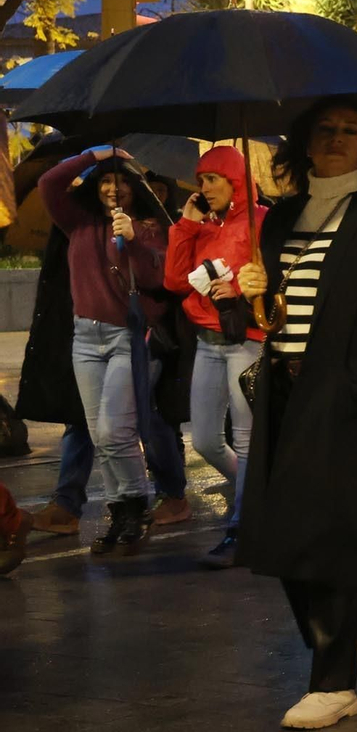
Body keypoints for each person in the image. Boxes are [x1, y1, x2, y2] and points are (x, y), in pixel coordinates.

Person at [235, 97, 357, 730]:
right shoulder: (280, 218)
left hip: (348, 400)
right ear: (305, 142)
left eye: (351, 130)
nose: (337, 138)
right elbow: (271, 315)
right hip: (284, 393)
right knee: (280, 534)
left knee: (335, 538)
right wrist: (249, 294)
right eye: (325, 129)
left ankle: (335, 683)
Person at [39, 145, 168, 556]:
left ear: (135, 188)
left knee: (116, 432)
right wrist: (92, 156)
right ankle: (120, 511)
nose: (114, 188)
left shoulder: (149, 226)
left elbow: (155, 278)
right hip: (85, 339)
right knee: (99, 433)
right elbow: (49, 183)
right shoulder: (76, 221)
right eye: (107, 181)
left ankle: (137, 506)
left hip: (125, 338)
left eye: (123, 181)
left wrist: (132, 239)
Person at [163, 144, 267, 567]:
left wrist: (240, 289)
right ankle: (259, 499)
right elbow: (174, 282)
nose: (204, 188)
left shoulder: (261, 221)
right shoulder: (202, 226)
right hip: (207, 343)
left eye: (212, 179)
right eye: (201, 181)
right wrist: (186, 226)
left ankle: (243, 527)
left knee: (246, 438)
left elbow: (274, 277)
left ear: (234, 180)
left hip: (246, 341)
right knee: (205, 439)